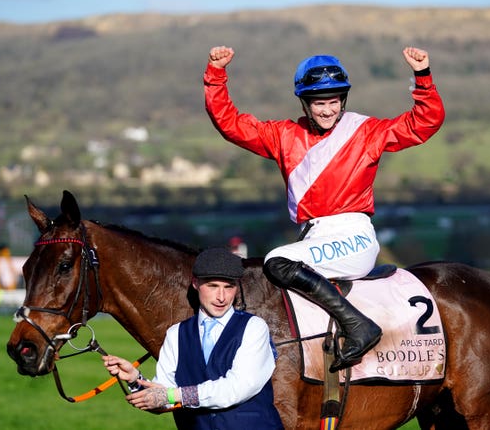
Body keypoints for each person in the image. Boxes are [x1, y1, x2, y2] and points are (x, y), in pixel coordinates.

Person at [204, 45, 445, 372]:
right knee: (262, 271)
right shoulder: (283, 135)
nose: (328, 110)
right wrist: (216, 76)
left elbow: (424, 122)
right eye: (320, 102)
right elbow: (230, 124)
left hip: (353, 236)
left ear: (343, 100)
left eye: (334, 101)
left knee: (277, 260)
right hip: (315, 236)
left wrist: (423, 76)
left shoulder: (365, 132)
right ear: (305, 102)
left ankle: (360, 327)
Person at [102, 247, 283, 429]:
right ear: (195, 283)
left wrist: (174, 395)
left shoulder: (254, 327)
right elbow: (164, 397)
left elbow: (236, 388)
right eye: (212, 286)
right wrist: (135, 380)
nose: (221, 297)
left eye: (229, 287)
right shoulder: (175, 334)